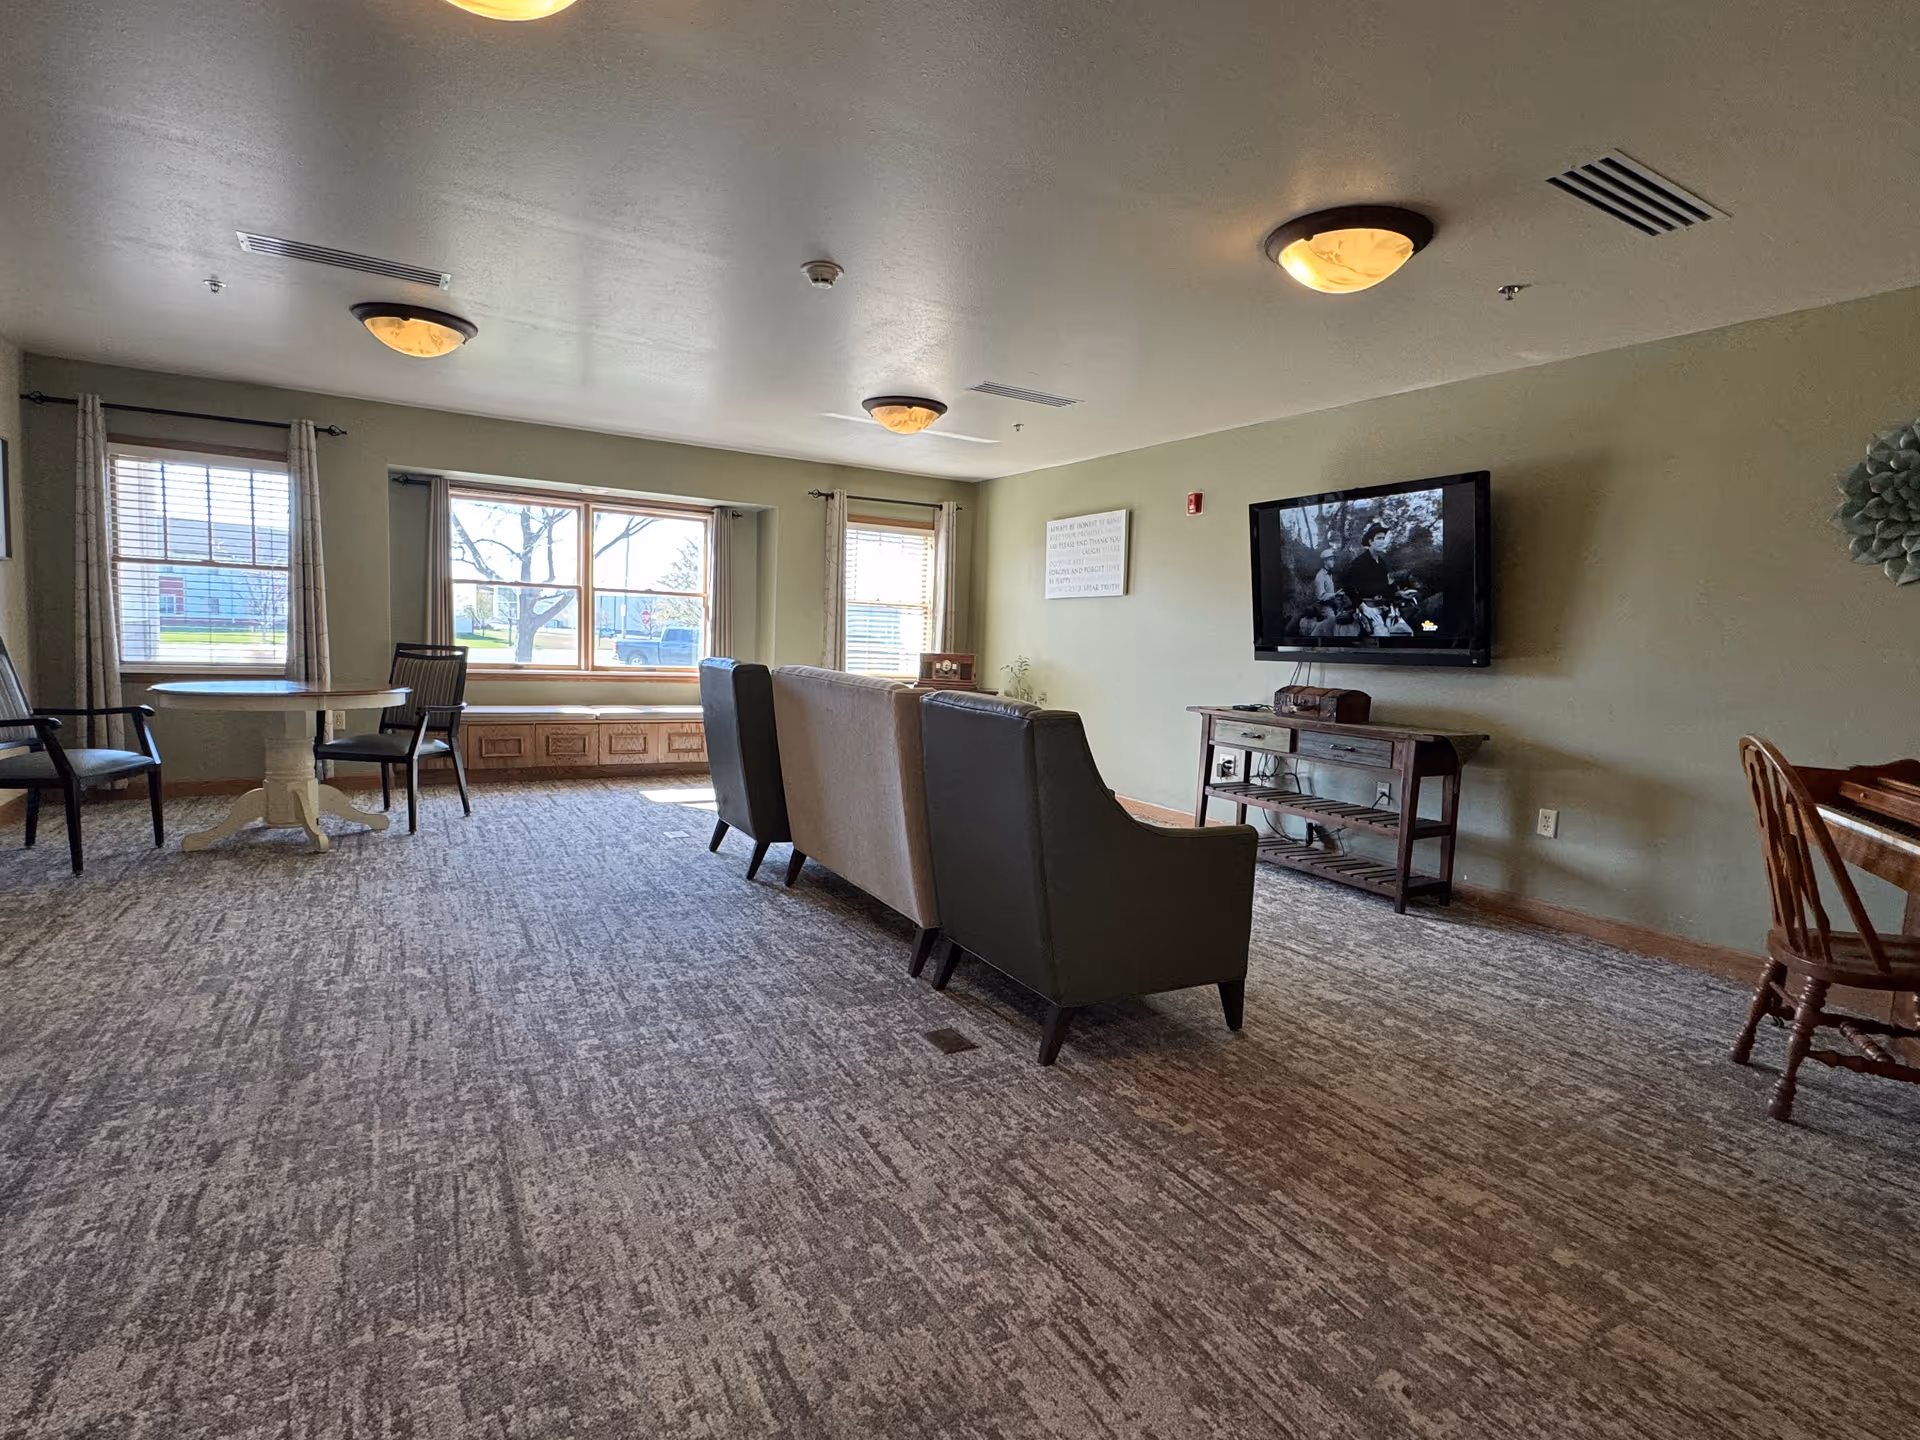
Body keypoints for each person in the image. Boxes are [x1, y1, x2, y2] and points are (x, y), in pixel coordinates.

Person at [1341, 523, 1393, 605]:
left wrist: (1399, 593)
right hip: (1367, 605)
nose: (1382, 542)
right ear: (1370, 541)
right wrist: (1361, 605)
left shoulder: (1382, 563)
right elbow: (1347, 585)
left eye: (1383, 538)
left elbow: (1385, 587)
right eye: (1379, 538)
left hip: (1382, 604)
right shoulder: (1359, 562)